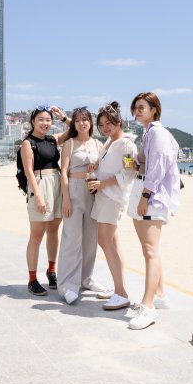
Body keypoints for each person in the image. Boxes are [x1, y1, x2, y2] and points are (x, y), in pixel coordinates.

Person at [127, 92, 180, 330]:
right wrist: (134, 163)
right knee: (150, 249)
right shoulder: (148, 133)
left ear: (154, 110)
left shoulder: (158, 134)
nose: (137, 112)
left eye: (141, 108)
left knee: (150, 250)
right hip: (144, 190)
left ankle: (148, 306)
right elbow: (148, 164)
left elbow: (158, 168)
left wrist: (146, 196)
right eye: (135, 108)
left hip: (152, 196)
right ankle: (160, 295)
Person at [56, 106, 108, 305]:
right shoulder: (69, 143)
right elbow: (63, 172)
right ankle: (67, 285)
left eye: (85, 120)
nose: (81, 123)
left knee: (90, 239)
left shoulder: (98, 144)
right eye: (77, 120)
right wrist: (66, 198)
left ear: (90, 122)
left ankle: (86, 279)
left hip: (92, 192)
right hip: (74, 191)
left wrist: (97, 168)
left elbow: (104, 168)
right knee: (71, 239)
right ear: (74, 123)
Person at [90, 102, 138, 311]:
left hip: (113, 197)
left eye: (109, 123)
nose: (105, 127)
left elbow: (128, 174)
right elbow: (108, 166)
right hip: (103, 195)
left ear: (119, 122)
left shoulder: (127, 144)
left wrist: (103, 183)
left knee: (104, 240)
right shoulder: (109, 143)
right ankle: (118, 287)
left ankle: (122, 294)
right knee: (113, 242)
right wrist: (96, 167)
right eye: (101, 124)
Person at [19, 105, 71, 296]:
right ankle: (32, 279)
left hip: (57, 184)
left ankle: (51, 270)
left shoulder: (52, 140)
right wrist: (39, 196)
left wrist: (63, 118)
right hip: (40, 186)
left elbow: (79, 129)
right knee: (36, 235)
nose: (45, 123)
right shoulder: (28, 143)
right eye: (41, 119)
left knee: (53, 231)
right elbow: (28, 172)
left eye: (48, 120)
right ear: (33, 121)